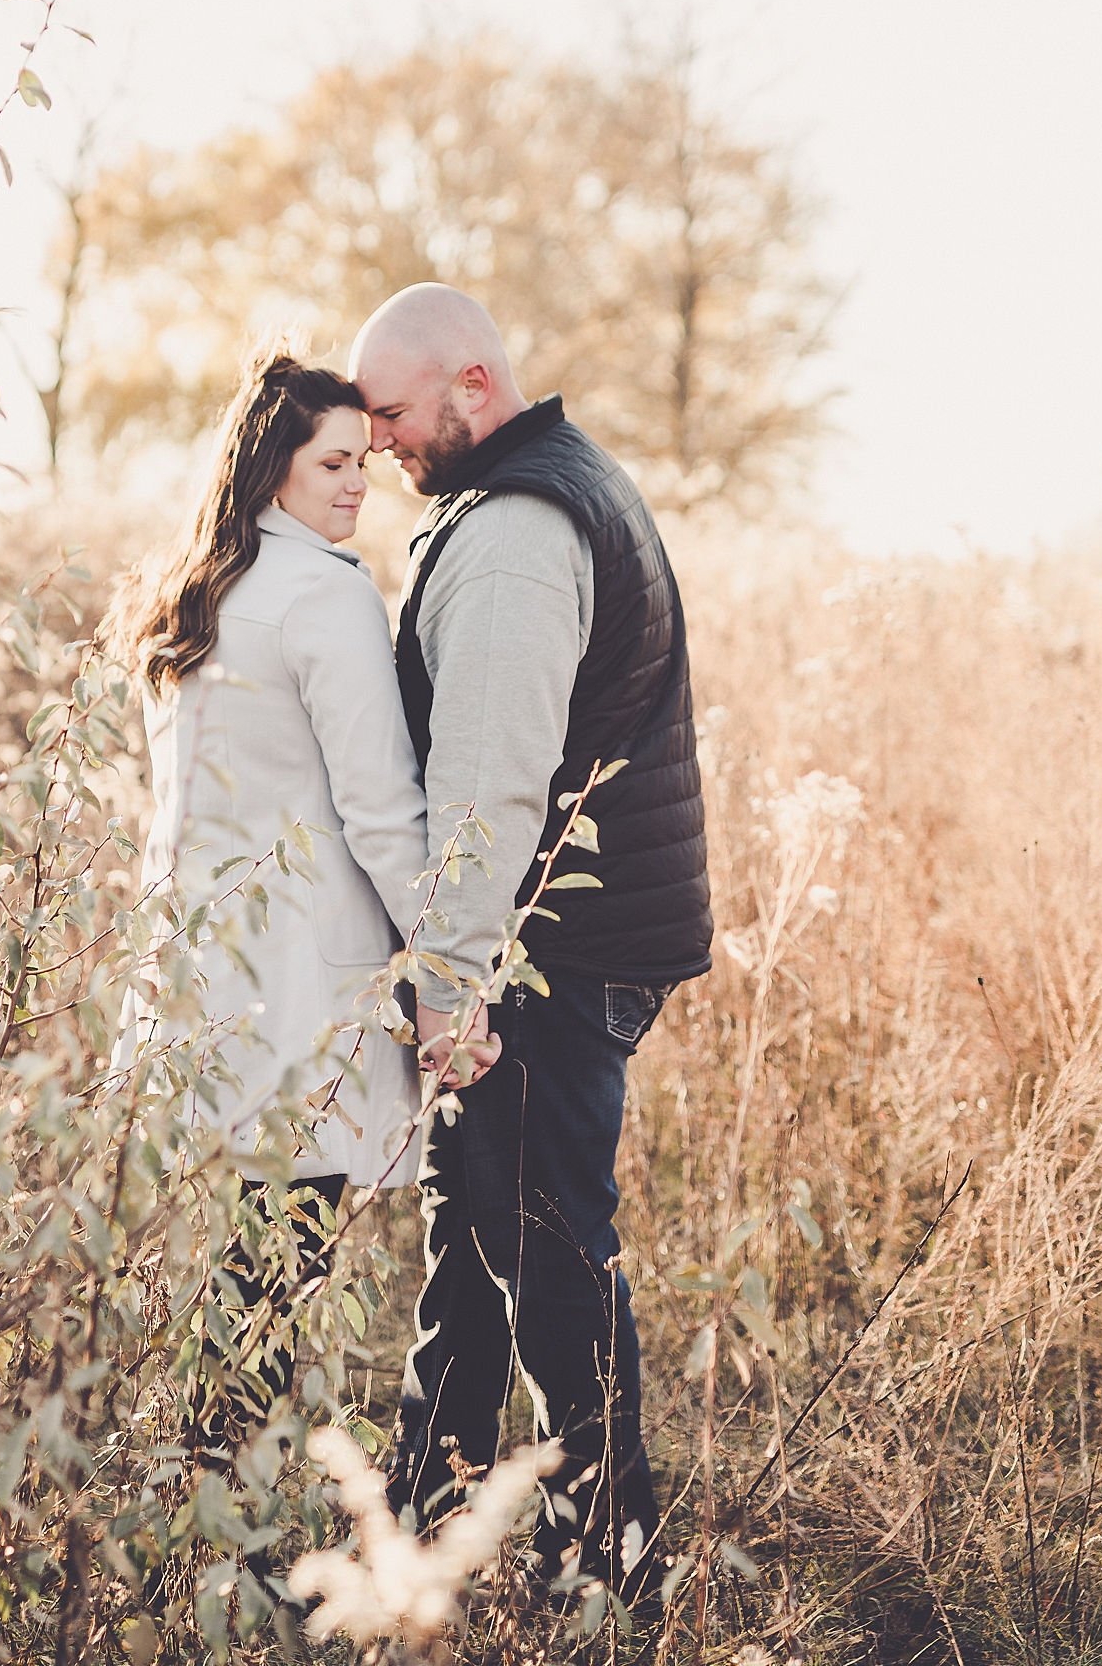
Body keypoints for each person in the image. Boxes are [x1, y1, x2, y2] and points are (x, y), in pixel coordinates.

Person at [349, 283, 714, 1591]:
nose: (377, 439)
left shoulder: (510, 529)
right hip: (561, 942)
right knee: (477, 1228)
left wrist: (447, 986)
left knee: (547, 1246)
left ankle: (610, 1559)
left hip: (550, 954)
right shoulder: (546, 484)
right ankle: (422, 1531)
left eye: (390, 412)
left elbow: (491, 784)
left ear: (470, 387)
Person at [102, 350, 428, 1442]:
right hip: (299, 991)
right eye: (332, 461)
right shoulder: (321, 593)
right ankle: (214, 1540)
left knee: (226, 1269)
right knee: (272, 1281)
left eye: (363, 462)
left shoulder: (197, 586)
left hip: (197, 977)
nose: (356, 483)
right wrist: (442, 956)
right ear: (272, 464)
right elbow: (380, 810)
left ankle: (190, 1514)